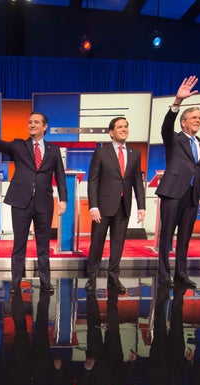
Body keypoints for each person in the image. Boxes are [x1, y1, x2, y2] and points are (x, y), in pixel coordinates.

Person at [0, 99, 67, 294]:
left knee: (43, 245)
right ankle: (16, 282)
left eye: (36, 122)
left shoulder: (54, 150)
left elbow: (60, 176)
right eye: (30, 122)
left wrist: (63, 199)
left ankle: (45, 282)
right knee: (19, 244)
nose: (32, 125)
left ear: (45, 127)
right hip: (20, 202)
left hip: (44, 202)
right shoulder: (18, 146)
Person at [156, 76, 200, 289]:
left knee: (185, 236)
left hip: (192, 196)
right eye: (194, 117)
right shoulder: (174, 138)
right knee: (167, 234)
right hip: (173, 193)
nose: (198, 120)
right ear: (184, 122)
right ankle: (163, 274)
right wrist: (177, 102)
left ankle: (181, 274)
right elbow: (165, 126)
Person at [85, 116, 146, 294]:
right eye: (120, 127)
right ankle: (92, 277)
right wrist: (93, 206)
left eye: (126, 126)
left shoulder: (135, 154)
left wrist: (141, 206)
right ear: (111, 132)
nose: (124, 129)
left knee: (117, 244)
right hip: (102, 208)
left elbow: (137, 182)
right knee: (97, 243)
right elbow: (93, 181)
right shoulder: (101, 153)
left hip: (123, 206)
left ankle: (114, 278)